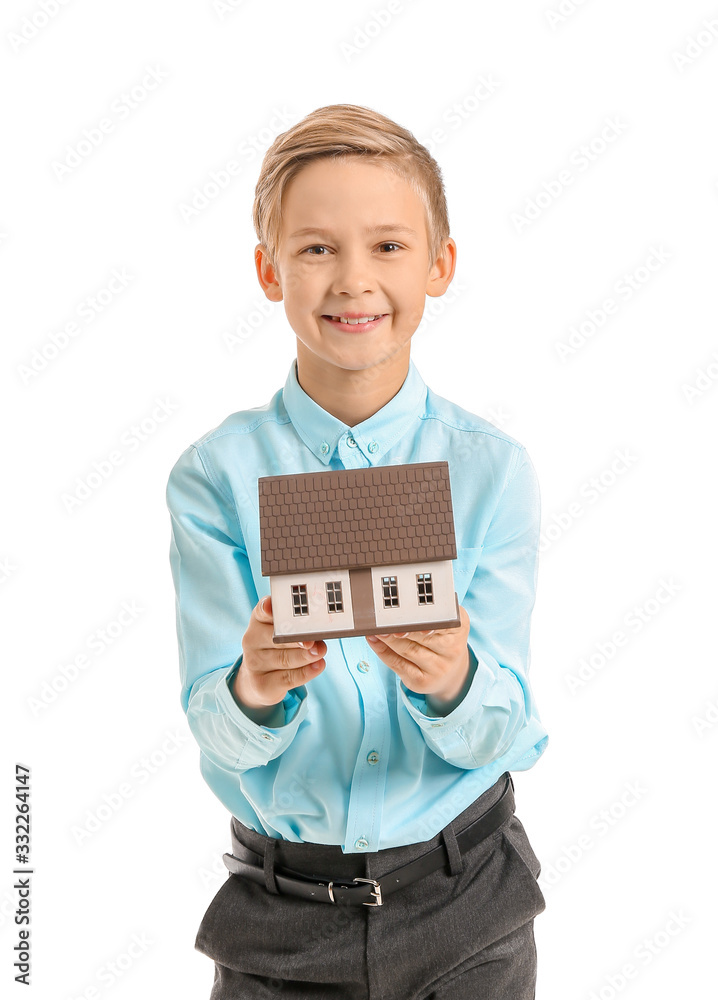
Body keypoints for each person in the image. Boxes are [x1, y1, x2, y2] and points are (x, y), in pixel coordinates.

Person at [166, 103, 550, 999]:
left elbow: (515, 730)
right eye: (315, 248)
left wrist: (453, 677)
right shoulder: (215, 478)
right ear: (269, 271)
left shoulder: (491, 472)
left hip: (469, 901)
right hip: (281, 916)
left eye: (387, 246)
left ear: (439, 265)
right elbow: (211, 729)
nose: (353, 281)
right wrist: (253, 688)